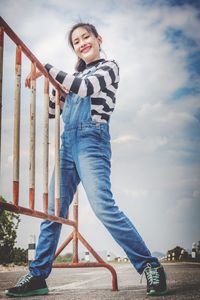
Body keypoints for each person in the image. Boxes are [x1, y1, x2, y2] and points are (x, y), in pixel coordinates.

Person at [5, 22, 167, 297]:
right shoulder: (71, 80)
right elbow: (56, 114)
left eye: (85, 37)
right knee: (53, 211)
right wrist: (53, 97)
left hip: (92, 140)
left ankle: (149, 264)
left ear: (98, 38)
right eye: (76, 42)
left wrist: (46, 68)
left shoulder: (109, 67)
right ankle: (37, 276)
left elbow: (85, 87)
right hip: (68, 143)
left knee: (103, 206)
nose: (81, 43)